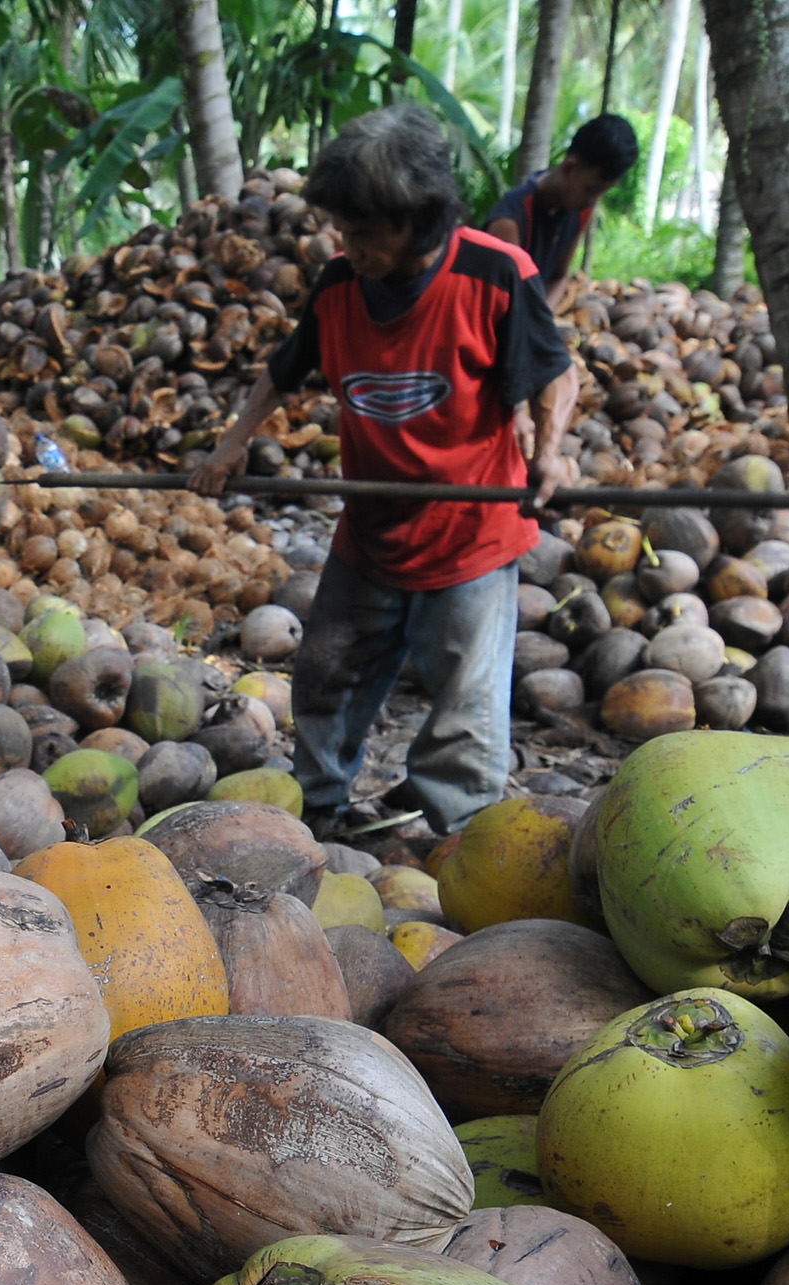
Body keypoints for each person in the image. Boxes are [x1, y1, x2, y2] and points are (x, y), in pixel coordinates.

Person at [188, 103, 578, 840]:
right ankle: (322, 808)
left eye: (363, 231)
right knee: (327, 672)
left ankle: (457, 838)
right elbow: (283, 372)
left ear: (416, 219)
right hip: (370, 532)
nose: (347, 244)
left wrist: (548, 451)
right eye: (342, 227)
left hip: (471, 534)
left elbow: (557, 373)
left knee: (465, 707)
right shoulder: (339, 285)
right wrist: (230, 444)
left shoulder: (495, 276)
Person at [484, 113, 638, 311]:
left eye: (602, 193)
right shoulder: (509, 222)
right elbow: (497, 300)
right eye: (591, 189)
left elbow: (559, 277)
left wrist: (543, 318)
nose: (594, 201)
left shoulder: (582, 210)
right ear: (568, 168)